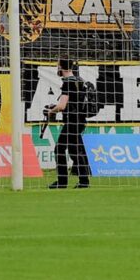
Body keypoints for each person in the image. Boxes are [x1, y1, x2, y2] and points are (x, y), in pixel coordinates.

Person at [45, 58, 93, 189]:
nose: (57, 69)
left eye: (58, 66)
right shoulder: (80, 80)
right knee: (74, 150)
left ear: (61, 67)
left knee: (59, 148)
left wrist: (51, 110)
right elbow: (73, 103)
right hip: (80, 120)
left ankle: (62, 182)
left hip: (72, 121)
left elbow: (62, 106)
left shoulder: (68, 83)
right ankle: (84, 181)